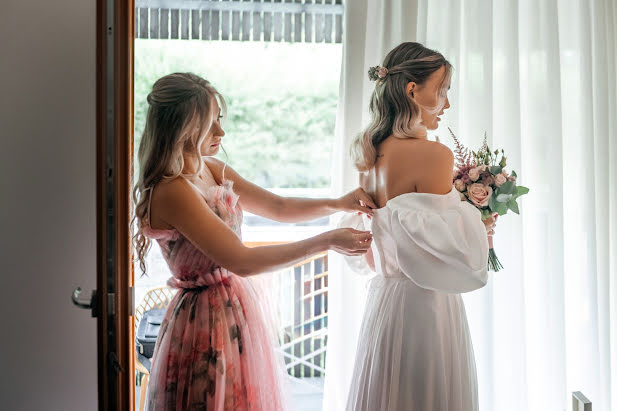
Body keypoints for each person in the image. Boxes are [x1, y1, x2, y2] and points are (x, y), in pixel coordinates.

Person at [132, 72, 375, 410]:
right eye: (210, 122)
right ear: (185, 127)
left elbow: (278, 206)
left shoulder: (212, 169)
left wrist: (338, 202)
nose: (221, 131)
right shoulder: (172, 190)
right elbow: (241, 260)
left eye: (219, 119)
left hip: (234, 312)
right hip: (203, 324)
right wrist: (329, 241)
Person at [341, 42, 495, 411]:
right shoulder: (434, 155)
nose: (446, 104)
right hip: (428, 305)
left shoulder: (368, 152)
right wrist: (480, 223)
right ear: (413, 90)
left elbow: (388, 244)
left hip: (386, 301)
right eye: (441, 92)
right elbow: (445, 250)